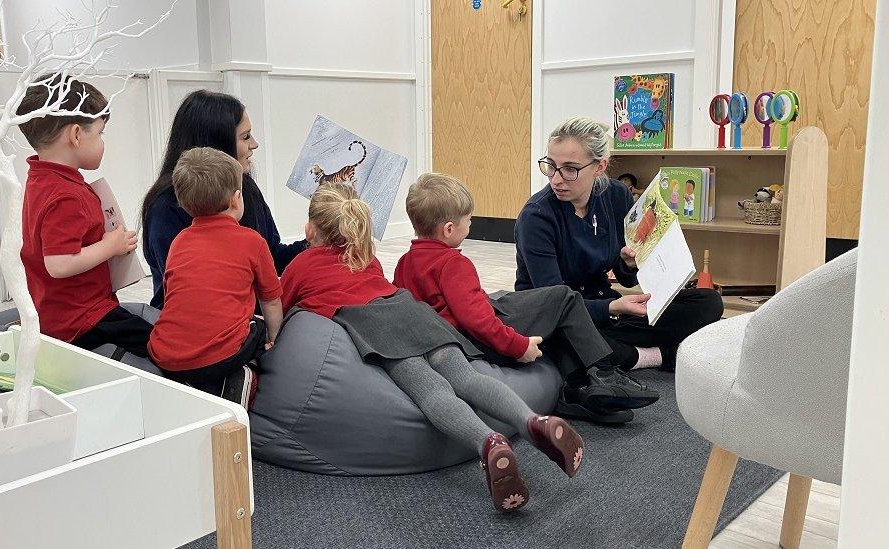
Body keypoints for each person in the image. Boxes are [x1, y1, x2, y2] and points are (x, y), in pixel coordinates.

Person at [280, 182, 584, 513]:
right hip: (413, 311)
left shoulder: (301, 265)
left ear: (310, 229)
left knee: (431, 392)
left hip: (380, 331)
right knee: (466, 378)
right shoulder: (368, 260)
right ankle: (531, 421)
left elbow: (279, 306)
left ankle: (488, 443)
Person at [394, 173, 659, 425]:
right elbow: (476, 319)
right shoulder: (454, 264)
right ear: (449, 229)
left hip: (452, 336)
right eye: (469, 219)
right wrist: (518, 346)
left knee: (549, 303)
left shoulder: (404, 262)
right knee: (564, 298)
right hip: (473, 341)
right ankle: (604, 373)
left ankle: (577, 389)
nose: (471, 223)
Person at [515, 117, 723, 370]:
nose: (556, 179)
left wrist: (629, 262)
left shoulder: (616, 195)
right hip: (555, 315)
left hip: (605, 307)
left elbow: (626, 279)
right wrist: (613, 306)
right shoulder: (536, 216)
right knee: (566, 342)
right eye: (551, 165)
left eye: (570, 169)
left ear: (600, 167)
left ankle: (621, 354)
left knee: (708, 302)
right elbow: (553, 301)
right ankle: (659, 356)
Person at [18, 74, 152, 357]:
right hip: (80, 318)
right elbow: (59, 264)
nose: (103, 141)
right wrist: (110, 246)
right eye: (100, 133)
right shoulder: (65, 195)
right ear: (76, 134)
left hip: (63, 310)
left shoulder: (42, 178)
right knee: (157, 342)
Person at [141, 90, 308, 308]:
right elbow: (188, 289)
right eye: (245, 136)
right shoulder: (165, 207)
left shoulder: (245, 186)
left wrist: (314, 242)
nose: (255, 144)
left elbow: (272, 257)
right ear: (216, 143)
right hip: (196, 330)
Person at [147, 148, 282, 407]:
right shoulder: (252, 241)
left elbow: (172, 294)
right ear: (236, 199)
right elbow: (272, 301)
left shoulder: (178, 242)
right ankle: (240, 381)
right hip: (222, 357)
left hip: (166, 356)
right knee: (258, 325)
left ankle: (190, 385)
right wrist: (274, 341)